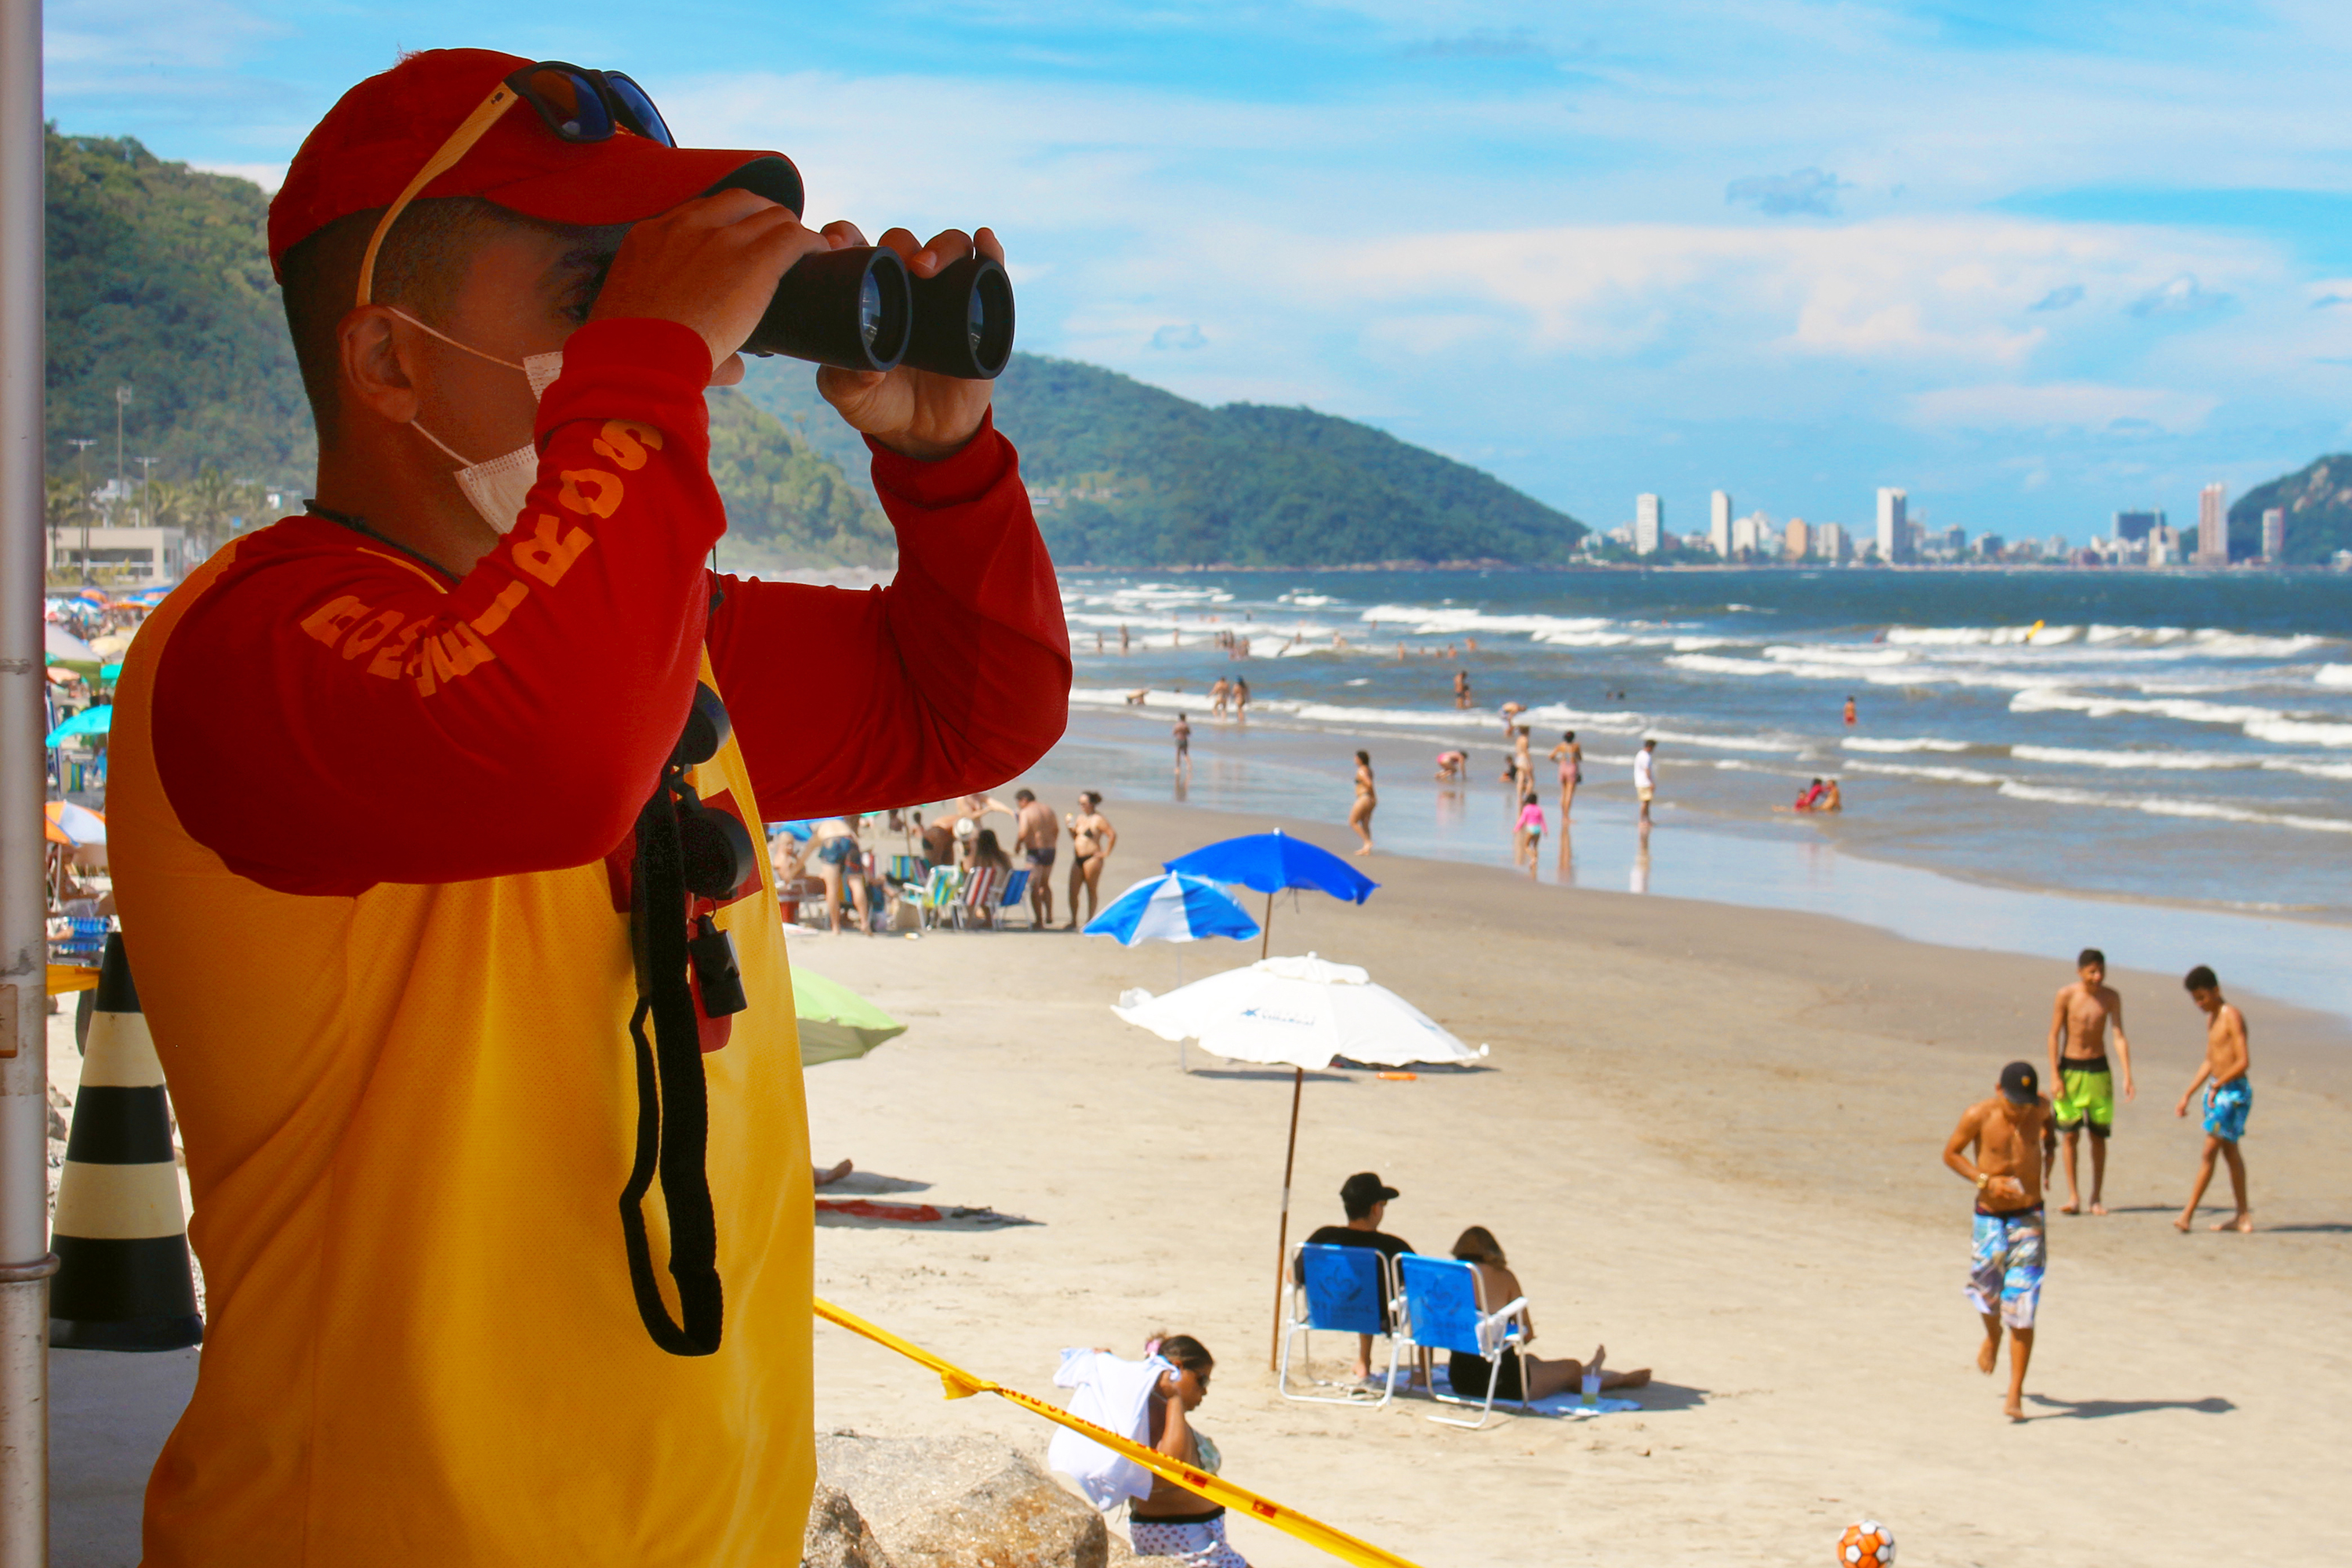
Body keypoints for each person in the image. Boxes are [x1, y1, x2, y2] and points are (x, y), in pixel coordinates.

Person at [105, 47, 1069, 1562]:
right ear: (388, 361)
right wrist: (647, 366)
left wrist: (942, 461)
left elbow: (972, 706)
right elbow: (540, 748)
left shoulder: (652, 638)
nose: (675, 341)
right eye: (590, 289)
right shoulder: (248, 646)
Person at [1942, 1062, 2056, 1421]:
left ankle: (2015, 1392)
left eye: (2025, 1104)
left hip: (2029, 1216)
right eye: (2013, 1104)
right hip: (1989, 1217)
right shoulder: (1979, 1115)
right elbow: (1951, 1154)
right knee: (1987, 1293)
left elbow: (2050, 1119)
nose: (2020, 1111)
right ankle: (1993, 1336)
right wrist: (1985, 1181)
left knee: (2022, 1303)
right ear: (1998, 1091)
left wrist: (2050, 1149)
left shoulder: (2040, 1109)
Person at [1444, 1227, 1650, 1403]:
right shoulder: (1504, 1277)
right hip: (1504, 1384)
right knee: (1571, 1367)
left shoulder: (1448, 1279)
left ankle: (1591, 1371)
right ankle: (1616, 1381)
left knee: (1532, 1360)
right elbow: (1526, 1333)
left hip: (1461, 1381)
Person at [1127, 1334, 1246, 1567]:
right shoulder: (1156, 1411)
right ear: (1177, 1369)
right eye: (1202, 1380)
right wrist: (1174, 1397)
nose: (1204, 1392)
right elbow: (1172, 1468)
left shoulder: (1162, 1412)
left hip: (1196, 1539)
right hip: (1185, 1543)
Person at [2046, 948, 2136, 1217]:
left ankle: (2095, 1197)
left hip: (2099, 1070)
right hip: (2070, 1069)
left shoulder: (2111, 997)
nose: (2097, 977)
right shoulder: (2066, 995)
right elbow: (2053, 1035)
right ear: (2080, 972)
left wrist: (2127, 1074)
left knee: (2098, 1136)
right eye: (2092, 972)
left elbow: (2118, 1035)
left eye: (2101, 972)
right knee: (2070, 1135)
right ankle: (2073, 1196)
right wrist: (2054, 1074)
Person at [1301, 1173, 1414, 1383]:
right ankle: (1423, 1374)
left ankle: (1364, 1361)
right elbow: (1418, 1283)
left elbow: (1294, 1277)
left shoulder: (1324, 1238)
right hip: (1377, 1319)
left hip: (1325, 1312)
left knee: (1361, 1291)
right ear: (1375, 1208)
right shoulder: (1392, 1247)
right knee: (1372, 1297)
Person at [2173, 965, 2253, 1233]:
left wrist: (2219, 1085)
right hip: (2217, 1091)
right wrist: (2188, 1094)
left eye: (2202, 997)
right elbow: (2210, 1061)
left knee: (2209, 1151)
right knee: (2230, 1152)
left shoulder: (2232, 1016)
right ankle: (2242, 1216)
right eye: (2195, 999)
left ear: (2216, 991)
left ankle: (2187, 1214)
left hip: (2233, 1093)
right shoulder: (2212, 1019)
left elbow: (2243, 1061)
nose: (2199, 1004)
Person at [811, 815, 873, 933]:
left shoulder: (820, 830)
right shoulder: (843, 824)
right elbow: (857, 843)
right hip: (849, 840)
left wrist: (791, 874)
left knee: (832, 888)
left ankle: (835, 926)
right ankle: (865, 923)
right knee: (856, 884)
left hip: (830, 842)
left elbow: (805, 854)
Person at [1065, 790, 1116, 928]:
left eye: (1084, 803)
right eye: (1080, 803)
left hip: (1092, 858)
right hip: (1078, 858)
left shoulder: (1098, 819)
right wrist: (1069, 828)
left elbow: (1112, 835)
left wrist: (1106, 853)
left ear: (1092, 804)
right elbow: (1076, 837)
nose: (1081, 806)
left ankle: (1090, 920)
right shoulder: (1080, 818)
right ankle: (1073, 920)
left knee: (1091, 889)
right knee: (1073, 890)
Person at [1014, 788, 1058, 927]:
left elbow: (1023, 832)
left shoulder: (1026, 812)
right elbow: (1056, 829)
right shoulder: (1048, 809)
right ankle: (1049, 915)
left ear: (1024, 800)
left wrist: (1018, 846)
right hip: (1050, 849)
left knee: (1035, 885)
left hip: (1035, 851)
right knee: (1045, 883)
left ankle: (1039, 920)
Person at [1348, 750, 1377, 856]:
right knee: (1365, 823)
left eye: (1356, 758)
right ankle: (1366, 849)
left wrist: (1372, 795)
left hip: (1363, 798)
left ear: (1360, 759)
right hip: (1369, 798)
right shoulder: (1369, 770)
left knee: (1353, 822)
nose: (1354, 760)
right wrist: (1374, 797)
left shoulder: (1361, 770)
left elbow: (1369, 783)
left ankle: (1367, 842)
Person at [1548, 730, 1582, 818]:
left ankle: (1563, 815)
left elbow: (1551, 756)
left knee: (1563, 793)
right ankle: (1567, 816)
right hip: (1571, 768)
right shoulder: (1576, 746)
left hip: (1562, 767)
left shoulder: (1561, 746)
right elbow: (1580, 758)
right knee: (1569, 794)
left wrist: (1559, 762)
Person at [1515, 791, 1544, 869]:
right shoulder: (1539, 809)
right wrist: (1545, 830)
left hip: (1531, 829)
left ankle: (1533, 858)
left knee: (1526, 846)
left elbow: (1522, 820)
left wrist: (1516, 828)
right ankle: (1534, 862)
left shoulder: (1526, 809)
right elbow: (1542, 820)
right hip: (1538, 829)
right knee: (1535, 846)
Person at [1634, 738, 1659, 824]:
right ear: (1650, 747)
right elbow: (1647, 770)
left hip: (1640, 781)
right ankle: (1642, 820)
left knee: (1646, 802)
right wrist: (1651, 782)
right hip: (1644, 782)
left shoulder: (1640, 754)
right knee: (1645, 802)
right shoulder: (1646, 756)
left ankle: (1647, 819)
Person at [1172, 713, 1192, 777]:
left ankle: (1178, 767)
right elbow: (1189, 733)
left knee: (1178, 754)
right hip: (1185, 739)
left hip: (1179, 739)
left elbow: (1174, 733)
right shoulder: (1186, 725)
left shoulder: (1177, 725)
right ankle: (1189, 765)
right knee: (1185, 753)